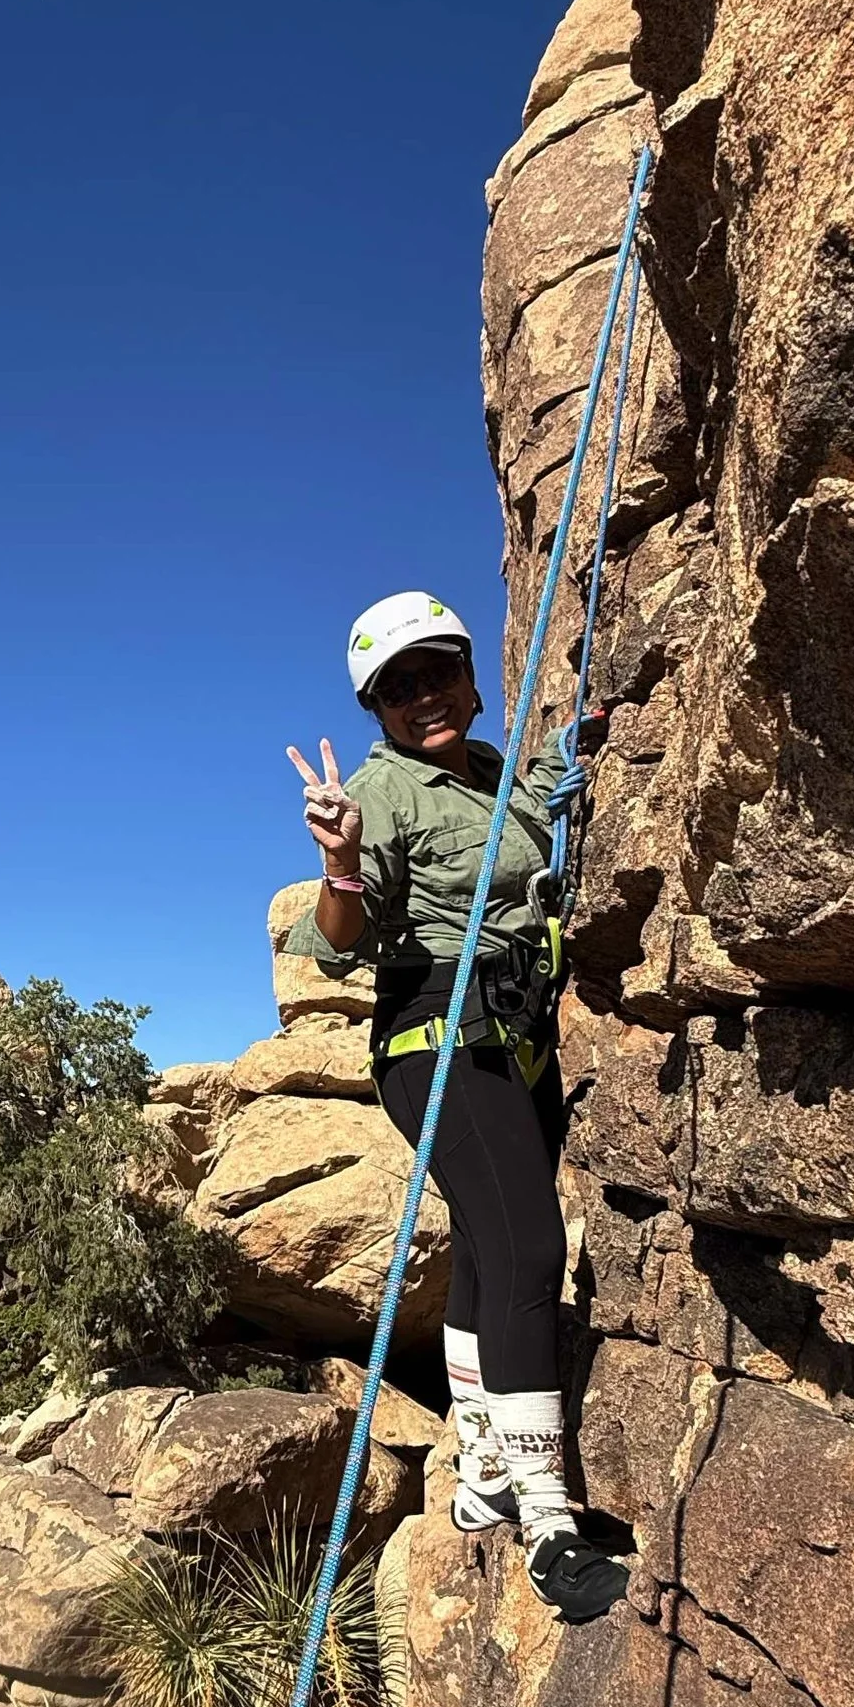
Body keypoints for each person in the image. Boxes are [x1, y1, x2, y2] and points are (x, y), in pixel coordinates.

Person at [285, 588, 619, 1619]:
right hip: (437, 1038)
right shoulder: (382, 793)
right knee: (527, 1251)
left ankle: (479, 1475)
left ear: (471, 678)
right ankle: (544, 1517)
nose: (423, 696)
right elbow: (340, 936)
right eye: (398, 688)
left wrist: (578, 749)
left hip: (508, 1038)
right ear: (376, 711)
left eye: (438, 672)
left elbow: (534, 818)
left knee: (483, 1248)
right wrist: (340, 864)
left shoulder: (494, 774)